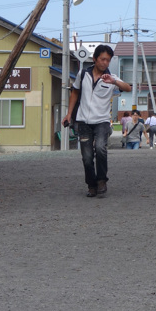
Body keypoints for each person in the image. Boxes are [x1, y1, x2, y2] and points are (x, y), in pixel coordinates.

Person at [63, 44, 131, 197]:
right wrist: (68, 114)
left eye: (108, 60)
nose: (105, 63)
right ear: (94, 59)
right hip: (83, 121)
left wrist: (114, 82)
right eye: (102, 59)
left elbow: (127, 88)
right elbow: (75, 93)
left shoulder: (112, 78)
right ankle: (91, 185)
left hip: (102, 121)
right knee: (87, 157)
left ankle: (102, 180)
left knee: (100, 148)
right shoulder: (83, 74)